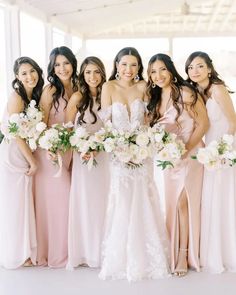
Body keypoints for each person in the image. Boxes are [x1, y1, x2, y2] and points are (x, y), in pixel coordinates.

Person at [98, 47, 170, 281]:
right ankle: (121, 258)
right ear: (117, 64)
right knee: (122, 201)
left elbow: (149, 121)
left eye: (133, 65)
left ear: (139, 68)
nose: (128, 69)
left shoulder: (144, 87)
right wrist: (118, 148)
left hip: (142, 154)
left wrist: (143, 146)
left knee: (144, 199)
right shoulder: (108, 87)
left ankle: (148, 257)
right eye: (124, 64)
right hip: (118, 156)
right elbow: (105, 126)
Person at [147, 53, 209, 276]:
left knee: (184, 202)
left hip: (191, 154)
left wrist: (184, 150)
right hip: (169, 159)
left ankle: (183, 254)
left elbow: (203, 124)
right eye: (153, 71)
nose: (158, 75)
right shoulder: (154, 98)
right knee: (173, 204)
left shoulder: (186, 92)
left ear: (171, 69)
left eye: (162, 69)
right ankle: (173, 250)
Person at [185, 51, 236, 273]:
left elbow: (234, 122)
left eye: (199, 66)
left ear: (209, 68)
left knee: (224, 194)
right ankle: (212, 250)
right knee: (211, 196)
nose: (194, 71)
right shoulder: (197, 92)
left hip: (225, 147)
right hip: (210, 150)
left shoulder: (217, 89)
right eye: (190, 68)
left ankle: (228, 251)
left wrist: (223, 149)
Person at [34, 46, 78, 267]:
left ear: (73, 63)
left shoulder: (80, 87)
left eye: (66, 63)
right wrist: (48, 145)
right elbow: (40, 122)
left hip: (75, 151)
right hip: (51, 153)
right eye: (57, 64)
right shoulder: (50, 89)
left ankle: (74, 249)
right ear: (52, 67)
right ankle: (56, 254)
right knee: (59, 201)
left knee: (72, 201)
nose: (62, 68)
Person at [0, 56, 44, 269]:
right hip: (14, 154)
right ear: (17, 77)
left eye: (32, 71)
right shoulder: (17, 97)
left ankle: (27, 250)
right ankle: (17, 252)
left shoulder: (32, 95)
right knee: (16, 204)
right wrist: (32, 161)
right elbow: (16, 133)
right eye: (24, 73)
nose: (30, 76)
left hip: (23, 151)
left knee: (24, 202)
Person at [66, 56, 109, 269]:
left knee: (104, 200)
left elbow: (112, 128)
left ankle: (104, 250)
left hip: (105, 157)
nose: (92, 77)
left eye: (96, 72)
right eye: (88, 72)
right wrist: (81, 147)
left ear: (102, 73)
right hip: (82, 158)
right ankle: (85, 251)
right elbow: (67, 129)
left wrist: (99, 146)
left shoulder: (109, 95)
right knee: (85, 201)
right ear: (83, 75)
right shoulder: (77, 97)